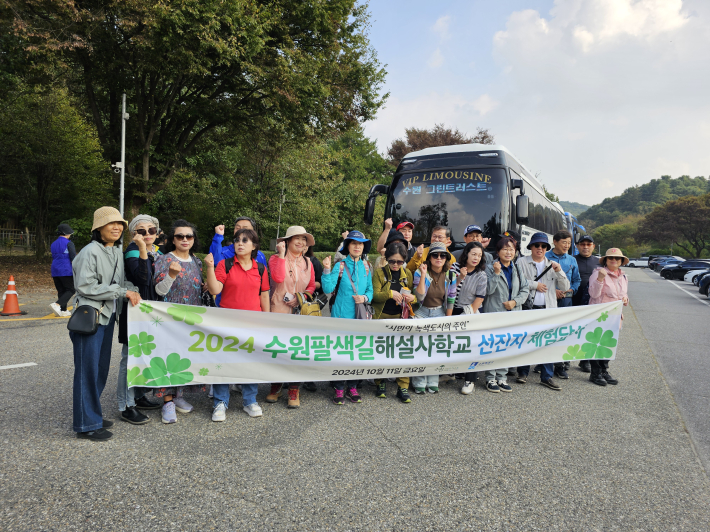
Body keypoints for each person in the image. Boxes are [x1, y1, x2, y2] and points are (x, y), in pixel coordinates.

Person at [70, 207, 141, 441]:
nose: (117, 227)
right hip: (90, 318)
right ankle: (86, 423)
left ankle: (92, 414)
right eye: (111, 223)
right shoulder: (90, 251)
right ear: (98, 228)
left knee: (100, 369)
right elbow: (85, 286)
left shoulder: (116, 252)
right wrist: (123, 291)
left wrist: (135, 290)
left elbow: (122, 283)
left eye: (120, 224)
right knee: (87, 371)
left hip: (108, 317)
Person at [204, 228, 271, 420]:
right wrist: (210, 267)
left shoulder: (260, 268)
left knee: (250, 363)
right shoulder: (224, 265)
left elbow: (264, 295)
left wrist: (268, 321)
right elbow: (215, 289)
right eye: (237, 240)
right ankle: (220, 402)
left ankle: (249, 401)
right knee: (223, 363)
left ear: (254, 246)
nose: (240, 243)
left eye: (245, 240)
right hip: (226, 323)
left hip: (253, 323)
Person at [153, 220, 206, 424]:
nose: (185, 239)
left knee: (184, 356)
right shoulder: (164, 260)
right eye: (180, 236)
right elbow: (159, 291)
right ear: (172, 239)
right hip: (169, 318)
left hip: (191, 317)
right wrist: (172, 275)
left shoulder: (196, 261)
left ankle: (179, 395)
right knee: (168, 356)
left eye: (189, 236)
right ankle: (167, 401)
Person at [116, 215, 164, 425]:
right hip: (134, 311)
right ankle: (125, 405)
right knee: (129, 359)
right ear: (134, 234)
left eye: (151, 231)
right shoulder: (132, 251)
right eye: (141, 231)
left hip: (150, 312)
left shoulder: (158, 252)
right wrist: (142, 248)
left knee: (144, 355)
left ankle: (138, 395)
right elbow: (142, 278)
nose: (147, 235)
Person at [266, 226, 317, 408]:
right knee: (279, 349)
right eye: (297, 238)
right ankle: (276, 386)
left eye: (304, 239)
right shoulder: (274, 259)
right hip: (278, 310)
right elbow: (278, 278)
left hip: (299, 311)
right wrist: (281, 255)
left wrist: (300, 298)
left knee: (297, 350)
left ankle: (294, 389)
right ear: (287, 241)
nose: (301, 242)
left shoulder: (308, 263)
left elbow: (311, 286)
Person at [321, 230, 374, 404]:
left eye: (360, 244)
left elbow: (370, 291)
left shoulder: (367, 266)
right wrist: (327, 269)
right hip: (341, 316)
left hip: (359, 317)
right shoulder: (341, 265)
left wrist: (364, 298)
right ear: (348, 246)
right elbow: (328, 289)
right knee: (341, 352)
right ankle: (338, 388)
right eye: (354, 243)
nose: (357, 246)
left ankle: (352, 386)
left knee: (356, 353)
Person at [515, 232, 569, 391]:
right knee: (525, 340)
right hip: (528, 307)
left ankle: (547, 377)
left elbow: (566, 287)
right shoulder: (521, 261)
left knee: (548, 343)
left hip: (548, 309)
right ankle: (523, 372)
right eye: (536, 245)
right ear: (531, 246)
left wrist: (559, 271)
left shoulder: (552, 264)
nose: (540, 248)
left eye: (543, 246)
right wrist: (534, 285)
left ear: (547, 248)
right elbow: (517, 281)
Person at [371, 239, 417, 403]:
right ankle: (380, 382)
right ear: (386, 259)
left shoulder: (408, 274)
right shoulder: (379, 273)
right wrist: (390, 293)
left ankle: (402, 386)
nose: (396, 265)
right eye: (392, 261)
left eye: (399, 261)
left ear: (404, 260)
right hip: (381, 317)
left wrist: (413, 297)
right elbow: (374, 296)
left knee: (402, 353)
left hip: (401, 318)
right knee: (381, 352)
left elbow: (413, 298)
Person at [483, 236, 530, 393]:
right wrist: (496, 273)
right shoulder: (490, 267)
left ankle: (502, 377)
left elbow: (525, 289)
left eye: (511, 249)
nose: (509, 252)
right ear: (498, 251)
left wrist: (515, 302)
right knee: (493, 346)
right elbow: (487, 291)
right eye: (505, 249)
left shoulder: (516, 268)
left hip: (513, 313)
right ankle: (490, 378)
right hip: (495, 313)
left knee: (506, 346)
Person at [411, 241, 457, 394]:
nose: (439, 258)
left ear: (446, 258)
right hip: (421, 311)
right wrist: (424, 274)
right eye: (435, 255)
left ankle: (432, 380)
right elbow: (420, 295)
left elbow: (451, 298)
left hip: (439, 313)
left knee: (435, 349)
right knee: (420, 347)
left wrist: (448, 320)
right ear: (429, 258)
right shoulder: (420, 272)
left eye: (442, 255)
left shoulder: (450, 275)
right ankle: (418, 381)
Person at [588, 248, 629, 387]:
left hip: (615, 316)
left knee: (608, 344)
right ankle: (595, 373)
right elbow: (593, 294)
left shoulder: (623, 276)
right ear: (605, 260)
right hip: (600, 316)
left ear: (621, 262)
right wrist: (600, 279)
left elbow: (624, 294)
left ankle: (604, 371)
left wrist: (625, 298)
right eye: (611, 258)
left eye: (617, 258)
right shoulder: (598, 273)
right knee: (597, 344)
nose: (614, 260)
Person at [451, 242, 487, 395]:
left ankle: (470, 379)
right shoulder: (454, 267)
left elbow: (479, 298)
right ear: (466, 254)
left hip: (469, 312)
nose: (476, 258)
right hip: (451, 309)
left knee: (472, 345)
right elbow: (449, 290)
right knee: (452, 344)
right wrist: (460, 278)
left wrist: (467, 317)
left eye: (479, 255)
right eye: (473, 254)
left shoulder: (481, 275)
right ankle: (451, 372)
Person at [545, 230, 581, 378]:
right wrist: (554, 291)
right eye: (563, 242)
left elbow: (576, 280)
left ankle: (560, 366)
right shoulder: (545, 257)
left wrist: (571, 289)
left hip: (566, 301)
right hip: (548, 300)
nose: (567, 245)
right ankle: (544, 363)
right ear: (555, 242)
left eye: (568, 243)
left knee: (563, 333)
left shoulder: (572, 260)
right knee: (547, 332)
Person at [210, 217, 267, 307]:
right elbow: (214, 261)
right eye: (238, 227)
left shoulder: (260, 256)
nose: (241, 230)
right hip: (226, 305)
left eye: (245, 227)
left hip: (252, 309)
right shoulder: (225, 251)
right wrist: (218, 236)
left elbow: (263, 288)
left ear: (253, 232)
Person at [573, 235, 598, 372]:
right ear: (577, 246)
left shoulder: (599, 262)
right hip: (574, 300)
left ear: (593, 246)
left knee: (590, 331)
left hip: (593, 303)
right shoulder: (572, 260)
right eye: (582, 244)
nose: (585, 247)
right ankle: (563, 361)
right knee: (572, 331)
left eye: (589, 244)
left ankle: (585, 360)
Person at [50, 223, 77, 317]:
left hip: (55, 269)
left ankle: (63, 310)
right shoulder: (69, 243)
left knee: (61, 290)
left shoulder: (53, 243)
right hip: (66, 269)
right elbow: (73, 258)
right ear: (67, 233)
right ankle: (57, 304)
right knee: (71, 289)